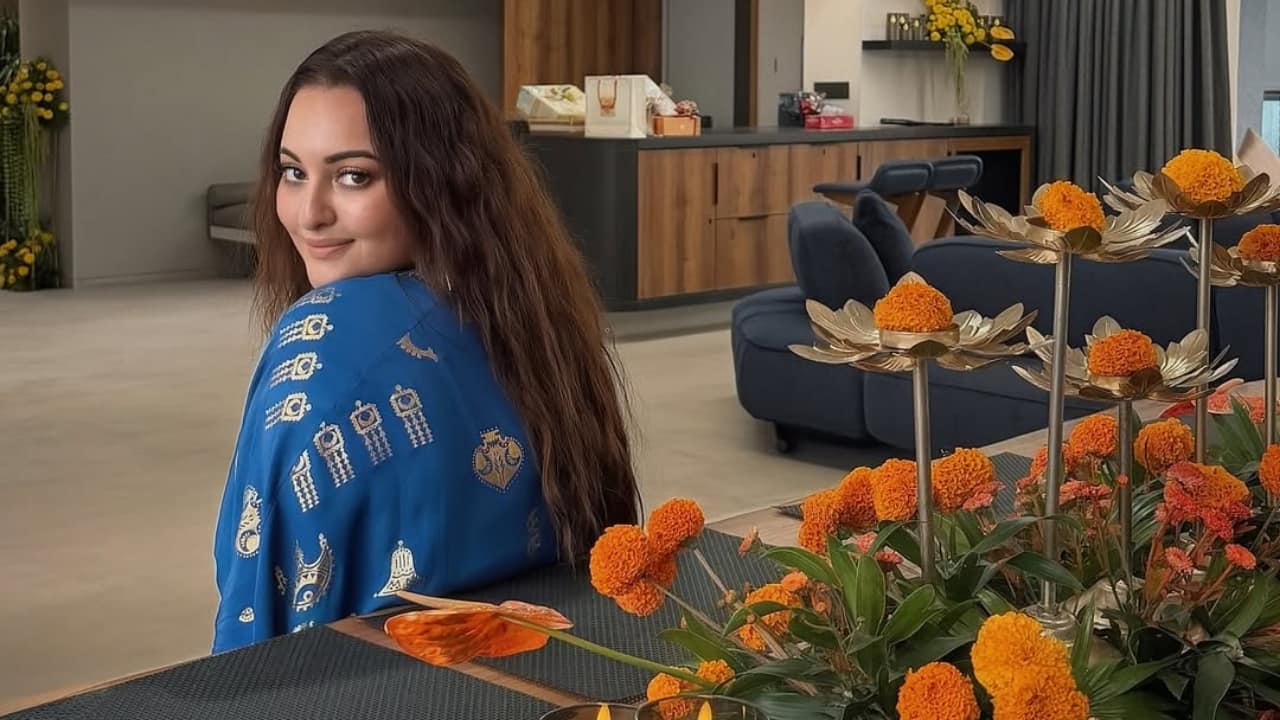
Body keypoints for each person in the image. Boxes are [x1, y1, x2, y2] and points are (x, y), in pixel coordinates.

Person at [211, 31, 639, 652]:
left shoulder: (322, 345)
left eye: (353, 176)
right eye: (293, 172)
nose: (309, 214)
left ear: (441, 180)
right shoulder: (532, 316)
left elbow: (257, 614)